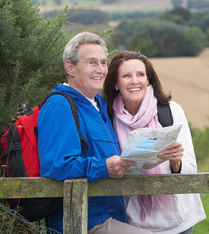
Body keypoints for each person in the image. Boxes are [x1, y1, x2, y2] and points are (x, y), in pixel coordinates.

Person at [37, 32, 153, 234]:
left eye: (103, 63)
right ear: (70, 67)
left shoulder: (100, 104)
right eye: (92, 63)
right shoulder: (59, 104)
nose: (100, 69)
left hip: (112, 216)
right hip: (83, 221)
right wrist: (104, 167)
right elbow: (56, 165)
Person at [103, 51, 206, 234]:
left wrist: (176, 162)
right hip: (134, 222)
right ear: (116, 83)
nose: (135, 81)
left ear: (149, 80)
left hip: (178, 221)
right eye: (127, 76)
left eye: (140, 75)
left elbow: (191, 169)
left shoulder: (171, 111)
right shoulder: (108, 118)